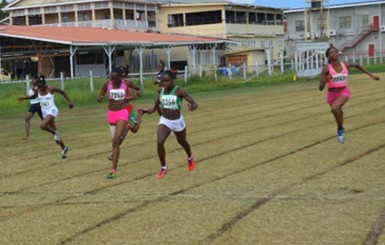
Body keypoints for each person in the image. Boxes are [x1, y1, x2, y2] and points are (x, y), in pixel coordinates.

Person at [319, 46, 380, 143]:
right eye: (331, 52)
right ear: (328, 56)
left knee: (335, 108)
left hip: (343, 92)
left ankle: (339, 130)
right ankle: (341, 127)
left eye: (335, 51)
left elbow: (357, 65)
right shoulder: (326, 69)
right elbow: (320, 88)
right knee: (338, 112)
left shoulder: (345, 65)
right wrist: (325, 80)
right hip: (331, 94)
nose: (334, 53)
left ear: (338, 54)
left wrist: (370, 75)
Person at [146, 70, 198, 179]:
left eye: (167, 81)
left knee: (182, 142)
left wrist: (192, 108)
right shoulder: (160, 91)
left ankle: (190, 157)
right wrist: (148, 110)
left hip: (177, 121)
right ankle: (163, 168)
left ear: (173, 80)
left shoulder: (179, 91)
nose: (164, 83)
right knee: (160, 141)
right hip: (165, 120)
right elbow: (156, 106)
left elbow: (194, 104)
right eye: (162, 81)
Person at [18, 75, 73, 158]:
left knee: (43, 125)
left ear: (44, 84)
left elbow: (63, 92)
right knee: (53, 131)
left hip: (52, 111)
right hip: (45, 113)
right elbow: (34, 96)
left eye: (41, 86)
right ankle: (64, 148)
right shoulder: (38, 90)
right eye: (38, 86)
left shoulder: (51, 89)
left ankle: (56, 133)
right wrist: (24, 98)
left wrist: (69, 102)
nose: (40, 88)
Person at [97, 67, 135, 179]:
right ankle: (128, 127)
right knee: (116, 142)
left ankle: (113, 170)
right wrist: (100, 97)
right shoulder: (107, 84)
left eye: (115, 79)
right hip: (111, 114)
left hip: (123, 112)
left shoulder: (126, 84)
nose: (113, 81)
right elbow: (102, 93)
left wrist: (130, 96)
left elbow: (134, 93)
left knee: (117, 139)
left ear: (120, 77)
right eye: (111, 78)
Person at [22, 75, 43, 142]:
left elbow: (35, 95)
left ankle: (55, 132)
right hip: (33, 106)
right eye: (32, 79)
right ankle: (27, 137)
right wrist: (24, 97)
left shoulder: (39, 87)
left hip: (39, 105)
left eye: (34, 79)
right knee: (27, 119)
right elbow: (30, 96)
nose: (32, 80)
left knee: (45, 121)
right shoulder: (32, 88)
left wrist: (25, 98)